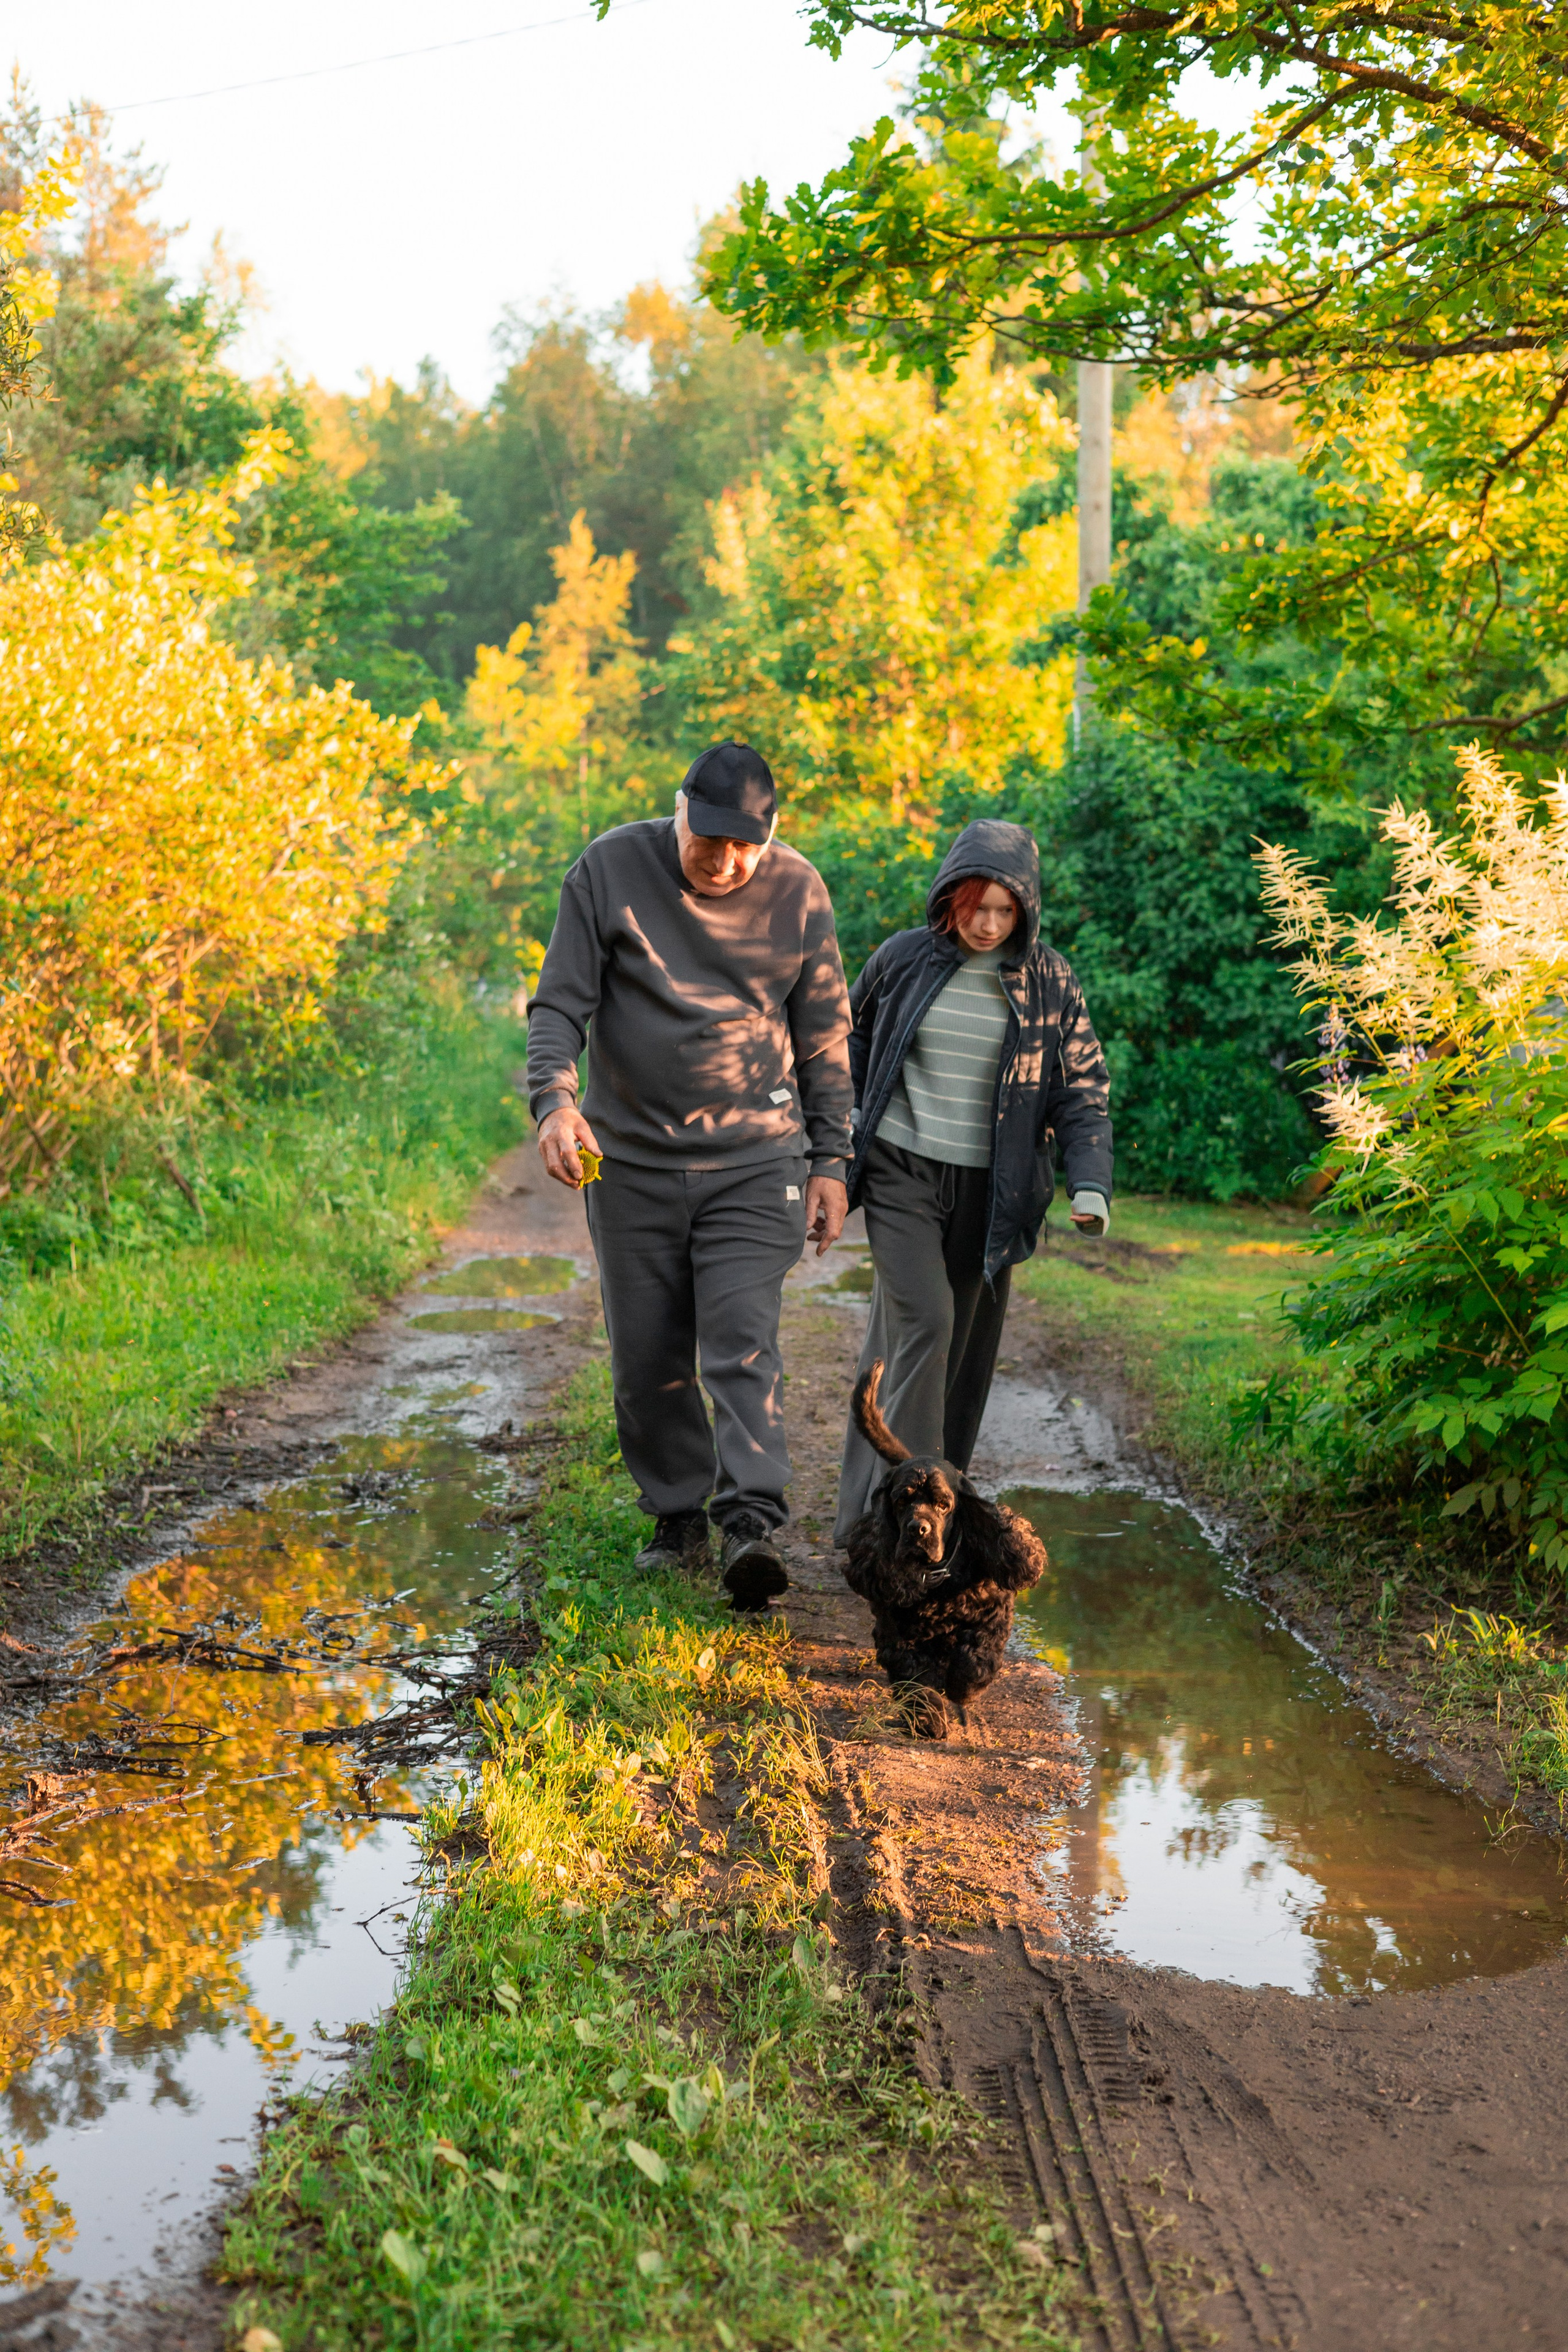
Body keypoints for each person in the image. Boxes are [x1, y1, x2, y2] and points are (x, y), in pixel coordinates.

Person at [526, 741, 853, 1609]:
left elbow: (823, 1037)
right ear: (678, 813)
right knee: (647, 1355)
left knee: (742, 1339)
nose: (726, 862)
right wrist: (557, 1105)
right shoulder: (607, 869)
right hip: (629, 1161)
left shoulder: (798, 891)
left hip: (757, 1159)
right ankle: (677, 1519)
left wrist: (832, 1160)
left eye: (745, 846)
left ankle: (749, 1524)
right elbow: (561, 1003)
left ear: (770, 834)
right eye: (709, 841)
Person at [834, 819, 1112, 1544]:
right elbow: (847, 1036)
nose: (988, 924)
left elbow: (1079, 1088)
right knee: (926, 1321)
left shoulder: (1049, 980)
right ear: (950, 897)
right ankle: (912, 1520)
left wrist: (1090, 1183)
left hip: (994, 1193)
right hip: (901, 1170)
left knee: (949, 1354)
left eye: (1005, 910)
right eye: (976, 906)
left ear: (1025, 911)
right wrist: (846, 1116)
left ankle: (875, 1517)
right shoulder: (903, 958)